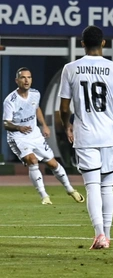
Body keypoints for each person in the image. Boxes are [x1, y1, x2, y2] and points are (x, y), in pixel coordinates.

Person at [59, 26, 113, 249]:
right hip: (109, 135)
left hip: (85, 135)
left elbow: (63, 107)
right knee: (107, 186)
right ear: (104, 43)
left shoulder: (70, 69)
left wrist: (67, 126)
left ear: (82, 44)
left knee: (92, 186)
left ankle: (99, 234)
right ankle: (107, 236)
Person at [3, 68, 84, 205]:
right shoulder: (10, 100)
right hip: (18, 137)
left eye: (29, 77)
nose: (26, 80)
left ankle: (70, 190)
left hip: (35, 134)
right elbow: (6, 123)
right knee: (33, 161)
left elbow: (36, 108)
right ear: (17, 81)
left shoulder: (35, 94)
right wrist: (18, 127)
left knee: (52, 163)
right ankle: (44, 196)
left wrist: (44, 125)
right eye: (23, 78)